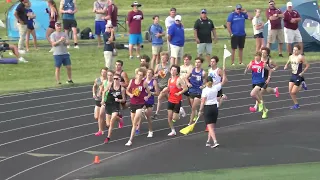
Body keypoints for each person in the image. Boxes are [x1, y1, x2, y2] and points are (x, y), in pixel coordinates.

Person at [198, 71, 227, 148]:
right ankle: (208, 141)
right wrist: (224, 73)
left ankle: (215, 141)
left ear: (206, 82)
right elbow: (223, 81)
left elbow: (202, 102)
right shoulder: (215, 87)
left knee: (209, 127)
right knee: (212, 126)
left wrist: (200, 111)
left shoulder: (205, 91)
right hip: (215, 108)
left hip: (208, 108)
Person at [125, 68, 151, 146]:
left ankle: (130, 140)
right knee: (133, 122)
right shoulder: (132, 81)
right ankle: (140, 117)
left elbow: (149, 93)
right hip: (133, 103)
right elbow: (127, 90)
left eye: (141, 75)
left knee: (135, 122)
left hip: (141, 104)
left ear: (143, 76)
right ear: (136, 75)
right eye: (138, 75)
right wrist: (130, 95)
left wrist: (147, 97)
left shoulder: (144, 83)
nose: (139, 76)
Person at [249, 47, 279, 112]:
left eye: (264, 53)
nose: (262, 54)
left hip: (266, 77)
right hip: (259, 78)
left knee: (260, 92)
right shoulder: (259, 59)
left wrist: (272, 69)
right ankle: (274, 90)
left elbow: (276, 66)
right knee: (266, 90)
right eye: (262, 52)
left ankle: (256, 106)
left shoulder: (269, 61)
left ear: (267, 54)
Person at [244, 51, 273, 119]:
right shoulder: (252, 62)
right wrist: (246, 70)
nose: (256, 57)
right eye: (255, 56)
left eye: (257, 56)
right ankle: (265, 111)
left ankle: (260, 103)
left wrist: (268, 78)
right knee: (259, 96)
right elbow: (248, 68)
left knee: (252, 94)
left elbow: (270, 70)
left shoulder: (263, 64)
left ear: (260, 57)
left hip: (261, 81)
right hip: (254, 82)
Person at [161, 65, 188, 136]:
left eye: (174, 70)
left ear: (177, 72)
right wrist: (165, 89)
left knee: (175, 118)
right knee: (169, 118)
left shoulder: (179, 79)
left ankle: (180, 110)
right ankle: (173, 130)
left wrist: (179, 92)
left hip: (177, 101)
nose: (173, 71)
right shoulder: (169, 80)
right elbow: (169, 88)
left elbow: (185, 88)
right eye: (172, 70)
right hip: (170, 100)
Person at [284, 44, 309, 109]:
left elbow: (307, 65)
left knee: (293, 92)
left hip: (298, 76)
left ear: (299, 51)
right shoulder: (291, 56)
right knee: (290, 92)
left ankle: (301, 85)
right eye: (293, 50)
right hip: (293, 75)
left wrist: (302, 72)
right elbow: (289, 61)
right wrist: (286, 65)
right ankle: (296, 105)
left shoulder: (300, 57)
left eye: (296, 50)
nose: (294, 51)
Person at [103, 73, 126, 143]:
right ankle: (119, 119)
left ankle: (108, 137)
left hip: (115, 105)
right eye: (114, 79)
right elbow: (104, 91)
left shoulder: (122, 89)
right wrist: (103, 100)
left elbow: (124, 100)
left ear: (120, 79)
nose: (115, 80)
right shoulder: (110, 85)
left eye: (117, 79)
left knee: (112, 121)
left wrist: (119, 100)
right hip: (108, 104)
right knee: (108, 124)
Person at [186, 57, 206, 125]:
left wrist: (203, 86)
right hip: (191, 90)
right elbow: (185, 78)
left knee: (193, 108)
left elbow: (207, 81)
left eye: (198, 62)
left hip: (198, 91)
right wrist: (188, 83)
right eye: (196, 62)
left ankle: (190, 122)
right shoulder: (192, 70)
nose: (197, 64)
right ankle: (202, 107)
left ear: (201, 63)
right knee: (193, 107)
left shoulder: (203, 72)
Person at [141, 69, 160, 138]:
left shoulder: (154, 82)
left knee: (148, 117)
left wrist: (150, 92)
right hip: (142, 101)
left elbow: (157, 93)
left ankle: (150, 131)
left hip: (150, 101)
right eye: (148, 72)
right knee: (140, 114)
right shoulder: (143, 80)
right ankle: (137, 128)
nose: (149, 74)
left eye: (150, 73)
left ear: (152, 74)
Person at [96, 69, 114, 135]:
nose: (109, 76)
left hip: (112, 102)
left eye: (111, 75)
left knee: (108, 124)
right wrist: (103, 99)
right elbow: (103, 91)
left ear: (113, 76)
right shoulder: (104, 82)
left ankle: (119, 119)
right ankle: (100, 130)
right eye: (108, 75)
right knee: (100, 114)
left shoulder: (115, 83)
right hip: (105, 101)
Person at [153, 52, 170, 119]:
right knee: (170, 99)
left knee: (159, 98)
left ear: (167, 59)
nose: (163, 59)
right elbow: (154, 75)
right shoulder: (158, 66)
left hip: (166, 85)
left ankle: (156, 113)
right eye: (162, 57)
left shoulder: (169, 66)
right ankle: (179, 109)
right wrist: (157, 75)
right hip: (159, 85)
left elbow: (173, 75)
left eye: (164, 58)